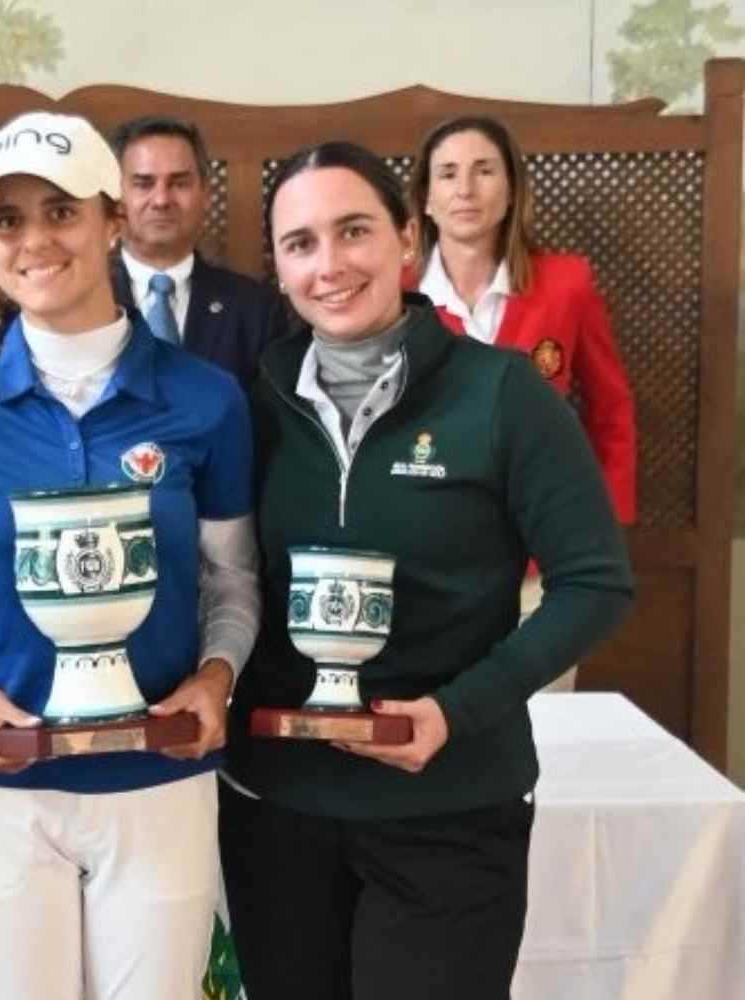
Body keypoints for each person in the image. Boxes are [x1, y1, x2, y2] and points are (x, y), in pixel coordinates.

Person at [218, 141, 633, 1000]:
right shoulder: (251, 405)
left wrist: (458, 711)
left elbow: (595, 582)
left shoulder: (503, 394)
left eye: (354, 230)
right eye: (301, 243)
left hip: (449, 810)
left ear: (408, 239)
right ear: (280, 267)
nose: (329, 265)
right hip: (278, 809)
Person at [0, 111, 260, 1000]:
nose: (35, 240)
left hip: (158, 777)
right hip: (2, 784)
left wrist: (214, 678)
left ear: (114, 220)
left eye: (60, 212)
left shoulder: (206, 399)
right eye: (9, 221)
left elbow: (232, 586)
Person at [408, 115, 637, 690]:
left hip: (541, 568)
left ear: (511, 190)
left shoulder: (567, 284)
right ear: (426, 199)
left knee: (544, 737)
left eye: (484, 171)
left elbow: (612, 410)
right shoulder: (394, 288)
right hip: (425, 567)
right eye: (448, 174)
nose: (465, 189)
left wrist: (599, 526)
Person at [109, 114, 289, 390]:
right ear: (116, 197)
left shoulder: (257, 310)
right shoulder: (81, 301)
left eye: (179, 183)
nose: (161, 200)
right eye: (143, 184)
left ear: (206, 194)